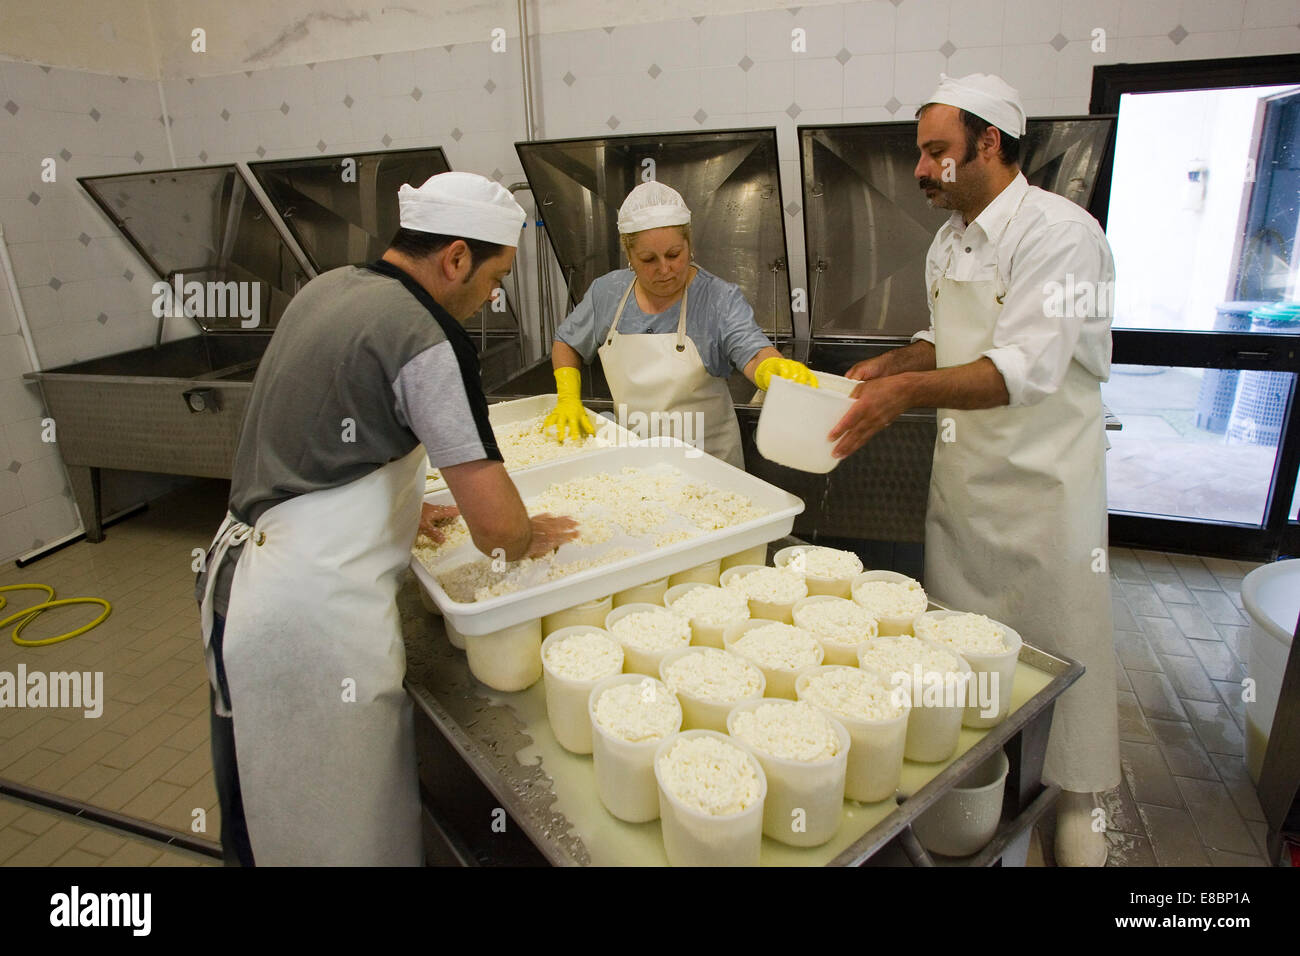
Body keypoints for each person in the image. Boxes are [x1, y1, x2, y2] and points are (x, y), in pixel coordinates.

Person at [195, 171, 578, 866]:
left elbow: (318, 435)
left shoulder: (329, 287)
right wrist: (526, 535)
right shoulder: (429, 338)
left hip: (239, 585)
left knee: (259, 799)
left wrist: (400, 507)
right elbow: (495, 528)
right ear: (456, 256)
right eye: (496, 276)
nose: (495, 295)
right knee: (338, 825)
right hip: (311, 618)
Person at [827, 73, 1118, 866]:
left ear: (989, 144)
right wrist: (895, 361)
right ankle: (979, 782)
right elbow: (946, 341)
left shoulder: (1061, 235)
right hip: (966, 489)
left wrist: (904, 394)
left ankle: (1077, 790)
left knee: (1061, 645)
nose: (920, 170)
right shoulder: (950, 236)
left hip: (1044, 489)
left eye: (935, 152)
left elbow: (1021, 369)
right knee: (965, 655)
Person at [545, 181, 815, 468]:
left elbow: (751, 349)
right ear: (629, 254)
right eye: (648, 259)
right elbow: (567, 343)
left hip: (710, 468)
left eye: (674, 255)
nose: (664, 270)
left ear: (689, 243)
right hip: (637, 463)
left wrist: (771, 368)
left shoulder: (718, 298)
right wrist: (568, 397)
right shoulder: (607, 293)